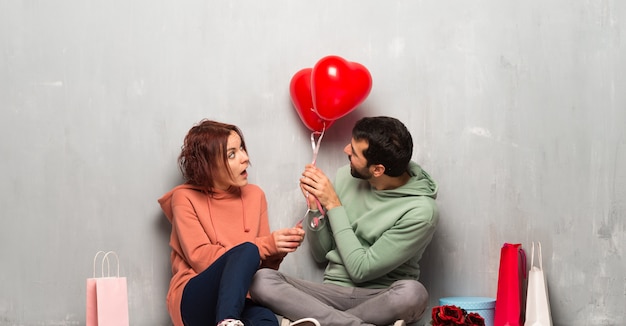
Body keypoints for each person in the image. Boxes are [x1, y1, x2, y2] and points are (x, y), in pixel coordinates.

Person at [249, 116, 439, 326]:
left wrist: (333, 204)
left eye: (354, 152)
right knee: (261, 279)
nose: (346, 150)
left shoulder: (421, 212)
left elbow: (361, 270)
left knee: (414, 294)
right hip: (329, 294)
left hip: (379, 297)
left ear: (378, 170)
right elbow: (322, 253)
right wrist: (315, 207)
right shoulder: (346, 176)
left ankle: (325, 322)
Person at [158, 119, 309, 326]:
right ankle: (227, 321)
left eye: (242, 149)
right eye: (232, 154)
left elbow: (260, 271)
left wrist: (279, 248)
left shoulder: (255, 196)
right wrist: (265, 245)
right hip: (194, 298)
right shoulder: (184, 198)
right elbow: (200, 257)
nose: (245, 158)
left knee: (267, 321)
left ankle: (231, 321)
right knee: (247, 250)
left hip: (241, 297)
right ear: (209, 165)